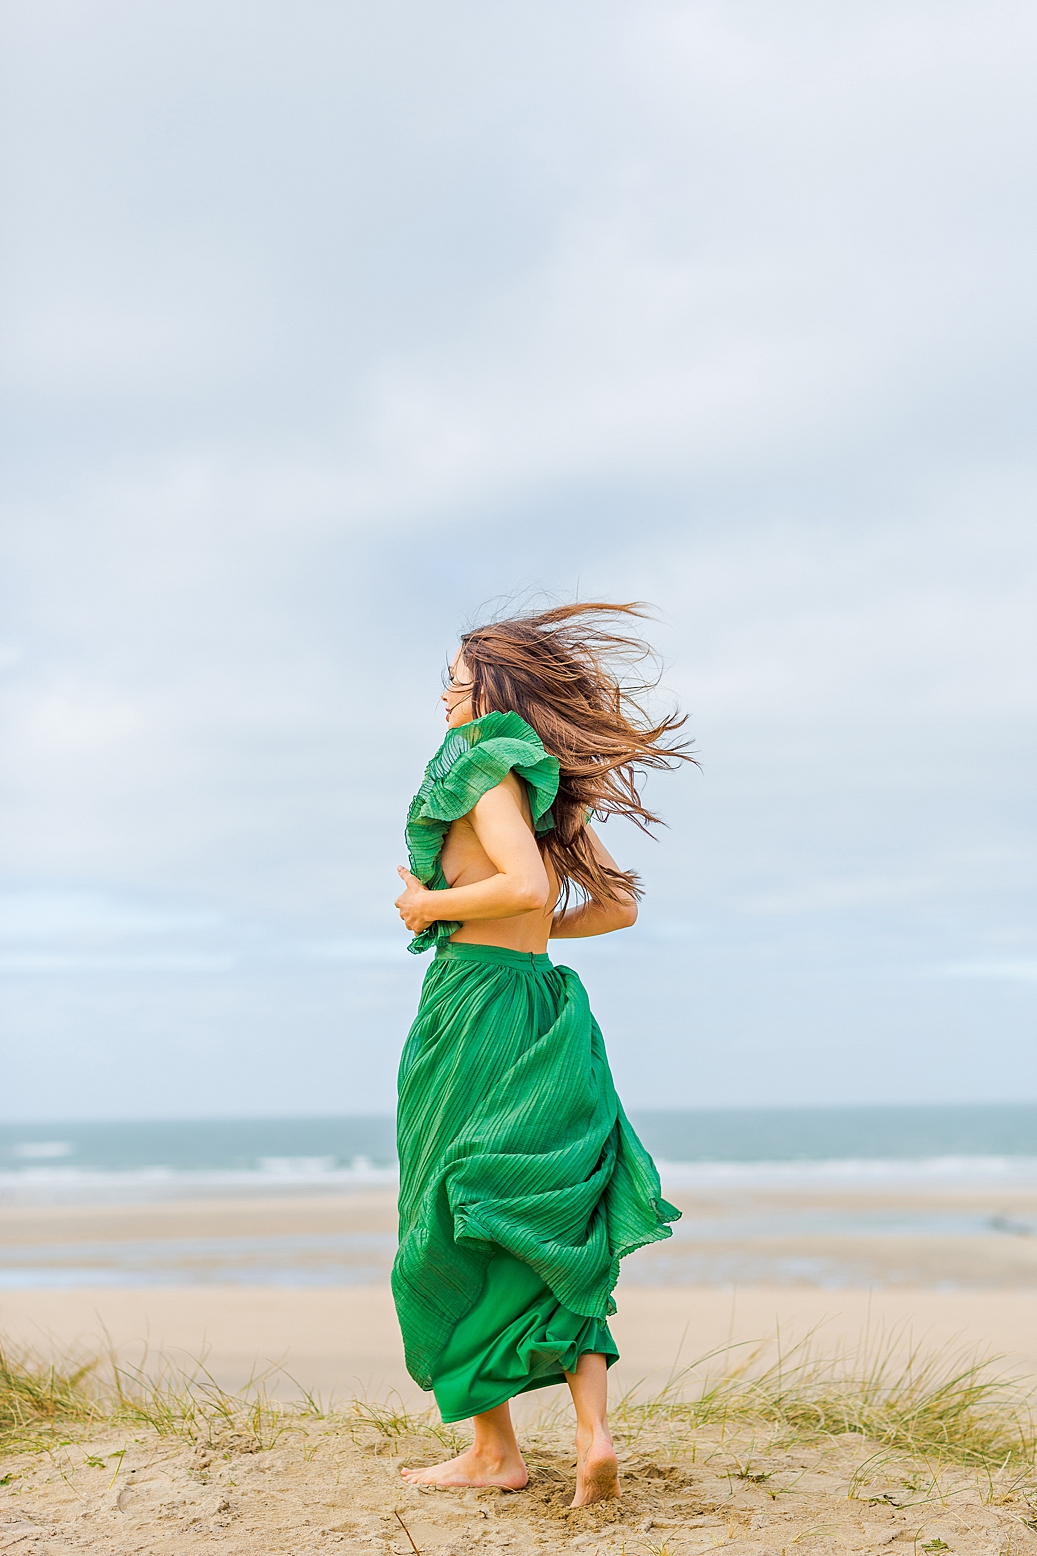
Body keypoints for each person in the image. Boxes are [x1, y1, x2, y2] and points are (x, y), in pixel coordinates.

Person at [391, 602, 692, 1506]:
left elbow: (517, 883)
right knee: (554, 1217)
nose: (444, 694)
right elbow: (615, 908)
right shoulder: (548, 789)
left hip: (475, 1005)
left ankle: (493, 1454)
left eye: (455, 677)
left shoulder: (480, 762)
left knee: (447, 1211)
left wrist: (429, 910)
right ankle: (593, 1433)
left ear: (491, 687)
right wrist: (533, 933)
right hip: (546, 1003)